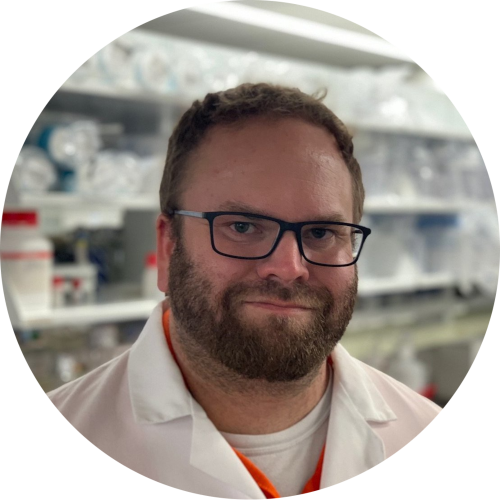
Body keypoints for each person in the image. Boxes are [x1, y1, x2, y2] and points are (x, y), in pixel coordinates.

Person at [47, 83, 441, 496]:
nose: (288, 268)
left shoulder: (417, 426)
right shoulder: (79, 422)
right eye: (242, 226)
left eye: (322, 232)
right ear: (168, 247)